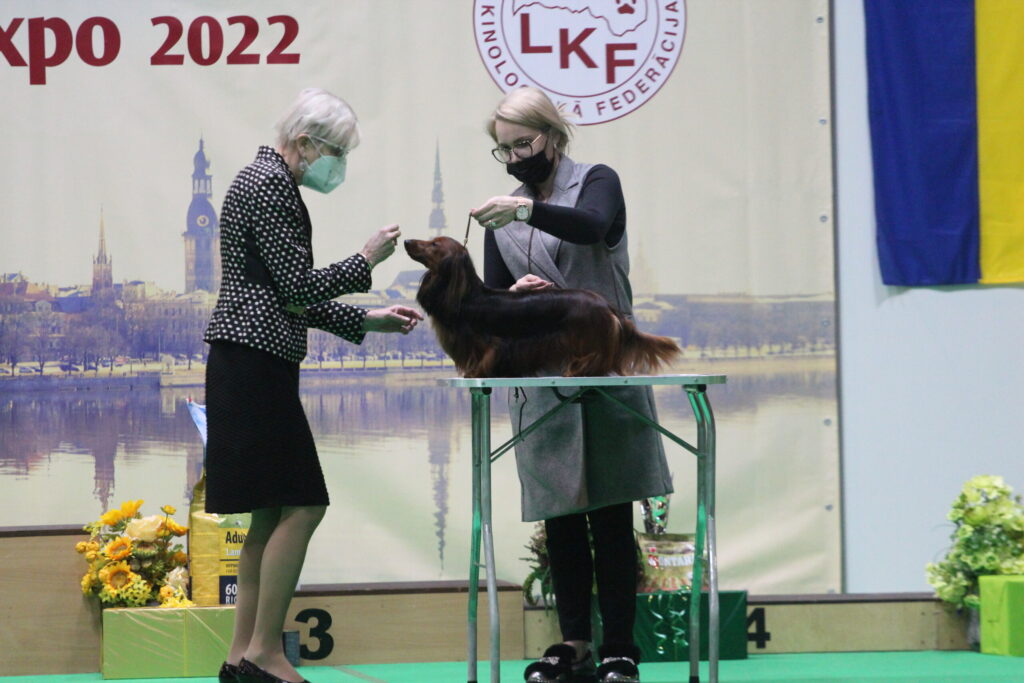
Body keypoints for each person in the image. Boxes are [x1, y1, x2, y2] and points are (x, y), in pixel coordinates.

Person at [203, 88, 422, 683]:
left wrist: (366, 320)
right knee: (305, 504)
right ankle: (265, 653)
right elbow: (298, 288)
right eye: (337, 152)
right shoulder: (270, 184)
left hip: (248, 360)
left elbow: (283, 294)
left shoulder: (264, 180)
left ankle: (240, 659)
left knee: (270, 514)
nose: (339, 165)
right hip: (255, 363)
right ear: (304, 142)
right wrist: (365, 259)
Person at [471, 87, 672, 683]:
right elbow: (492, 301)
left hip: (605, 367)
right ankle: (574, 643)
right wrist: (513, 296)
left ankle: (620, 648)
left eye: (522, 145)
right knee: (559, 517)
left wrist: (523, 212)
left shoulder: (596, 181)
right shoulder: (503, 215)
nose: (515, 159)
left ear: (553, 137)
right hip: (541, 378)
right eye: (504, 150)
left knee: (612, 515)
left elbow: (590, 227)